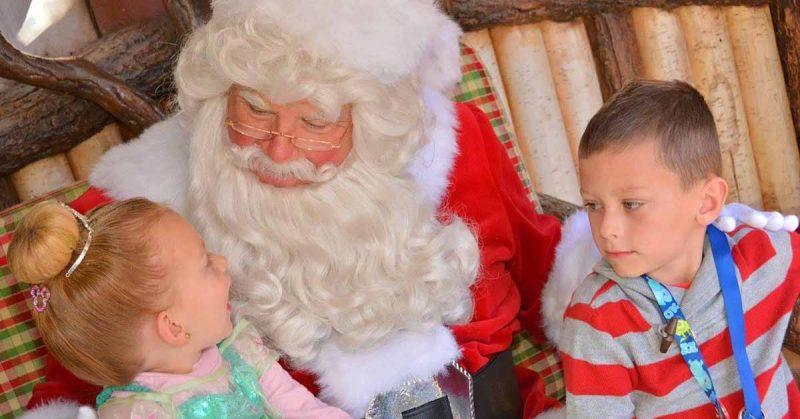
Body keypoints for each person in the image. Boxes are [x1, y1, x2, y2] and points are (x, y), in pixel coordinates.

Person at [21, 1, 791, 417]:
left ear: (374, 115)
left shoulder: (451, 144)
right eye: (252, 108)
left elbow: (540, 256)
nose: (279, 145)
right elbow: (80, 300)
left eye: (317, 120)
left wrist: (673, 245)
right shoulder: (156, 192)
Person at [559, 80, 800, 417]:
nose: (607, 229)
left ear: (707, 202)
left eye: (631, 204)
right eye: (593, 204)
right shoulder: (598, 319)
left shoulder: (764, 253)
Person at [8, 199, 351, 418]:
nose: (222, 263)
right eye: (205, 263)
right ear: (173, 327)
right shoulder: (143, 412)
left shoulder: (239, 353)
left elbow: (303, 408)